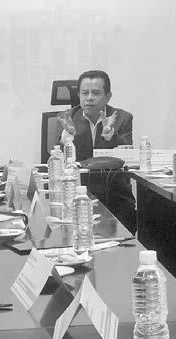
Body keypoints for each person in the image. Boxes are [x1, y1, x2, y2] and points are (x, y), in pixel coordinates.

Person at [55, 70, 136, 232]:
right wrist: (65, 140)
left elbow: (127, 156)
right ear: (78, 95)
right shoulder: (67, 118)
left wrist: (112, 136)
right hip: (79, 195)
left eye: (96, 93)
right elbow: (56, 160)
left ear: (108, 96)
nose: (89, 98)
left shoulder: (122, 118)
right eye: (85, 93)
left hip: (115, 195)